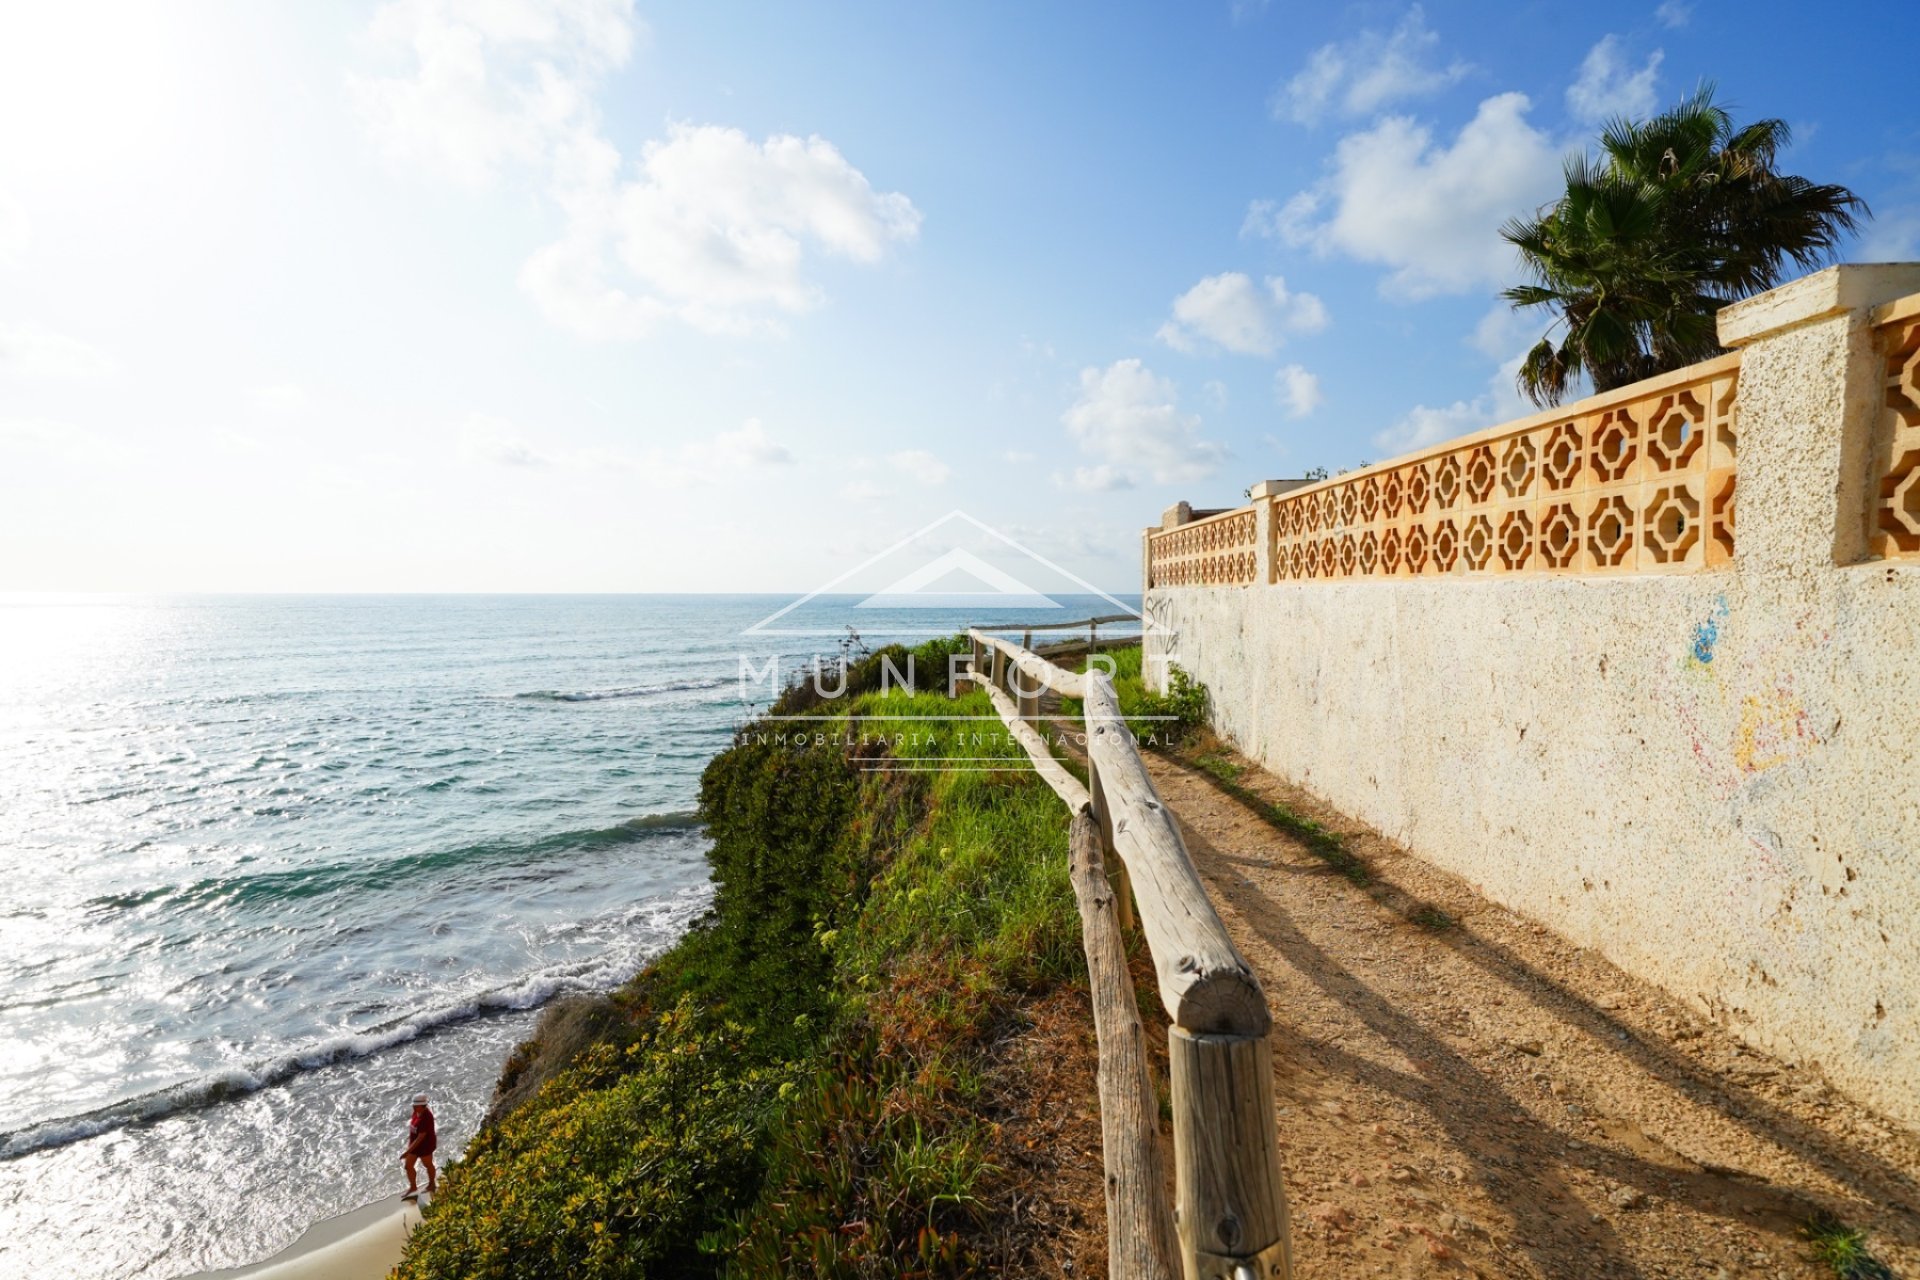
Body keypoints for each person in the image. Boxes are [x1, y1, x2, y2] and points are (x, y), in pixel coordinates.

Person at [401, 1092, 437, 1200]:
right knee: (408, 1166)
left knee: (428, 1165)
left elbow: (420, 1138)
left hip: (425, 1146)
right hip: (414, 1146)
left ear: (422, 1105)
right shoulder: (416, 1112)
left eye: (415, 1105)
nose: (413, 1106)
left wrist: (407, 1152)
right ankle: (413, 1187)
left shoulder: (426, 1117)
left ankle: (432, 1184)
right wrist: (409, 1146)